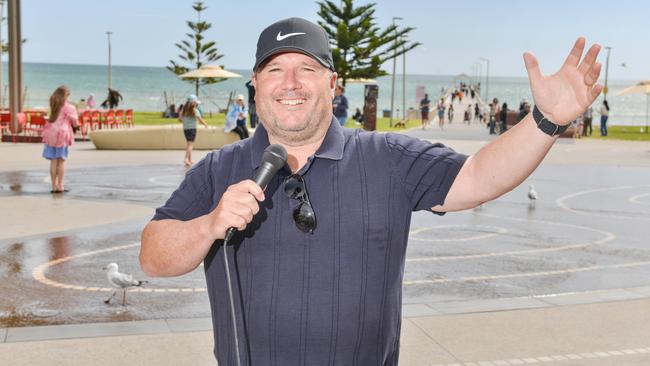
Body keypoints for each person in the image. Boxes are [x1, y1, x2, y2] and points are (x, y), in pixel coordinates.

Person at [140, 18, 603, 365]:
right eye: (275, 70)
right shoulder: (218, 167)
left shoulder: (388, 157)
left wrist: (547, 121)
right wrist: (208, 224)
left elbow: (479, 178)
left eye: (307, 68)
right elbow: (153, 255)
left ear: (332, 83)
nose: (291, 83)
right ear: (256, 87)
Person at [41, 86, 79, 193]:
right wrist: (76, 125)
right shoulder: (69, 107)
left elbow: (50, 117)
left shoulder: (54, 105)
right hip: (62, 134)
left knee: (53, 160)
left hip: (50, 133)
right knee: (61, 161)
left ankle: (53, 186)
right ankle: (60, 186)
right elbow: (75, 122)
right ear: (65, 96)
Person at [178, 95, 208, 167]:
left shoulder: (183, 110)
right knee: (190, 144)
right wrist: (205, 124)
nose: (197, 104)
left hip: (185, 129)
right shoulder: (195, 110)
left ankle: (190, 159)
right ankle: (185, 159)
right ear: (193, 103)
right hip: (192, 129)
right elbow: (200, 120)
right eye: (196, 103)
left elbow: (179, 119)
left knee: (189, 144)